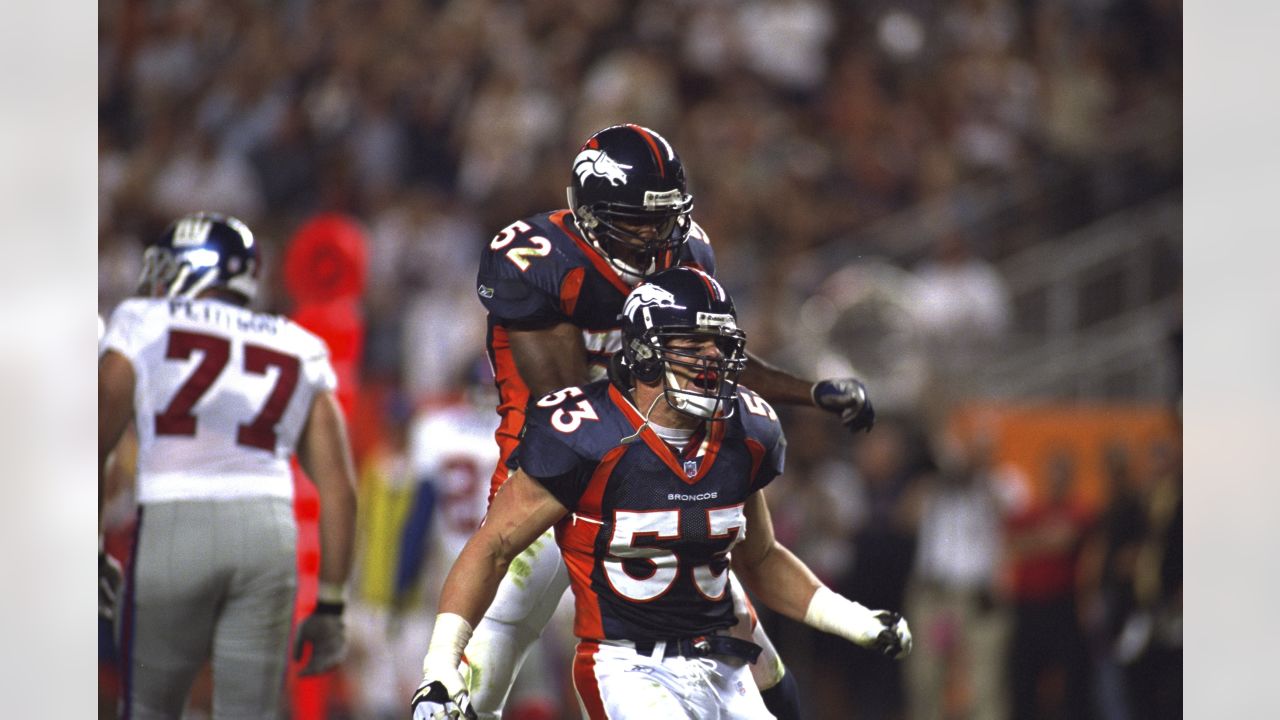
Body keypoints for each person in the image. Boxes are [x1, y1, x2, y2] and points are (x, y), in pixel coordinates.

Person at [460, 123, 877, 720]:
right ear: (589, 211)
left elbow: (710, 357)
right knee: (489, 661)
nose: (653, 236)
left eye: (663, 219)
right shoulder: (537, 262)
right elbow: (573, 414)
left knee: (754, 659)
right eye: (635, 220)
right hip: (558, 480)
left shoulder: (686, 252)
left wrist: (807, 392)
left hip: (652, 472)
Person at [411, 267, 911, 720]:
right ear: (647, 352)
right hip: (629, 669)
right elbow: (493, 545)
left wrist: (856, 620)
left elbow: (760, 558)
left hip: (721, 662)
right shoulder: (587, 433)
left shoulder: (747, 430)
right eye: (695, 345)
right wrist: (440, 664)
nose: (714, 359)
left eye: (721, 344)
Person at [98, 212, 358, 718]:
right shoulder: (298, 343)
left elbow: (91, 440)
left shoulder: (144, 320)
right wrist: (330, 604)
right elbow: (340, 490)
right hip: (267, 530)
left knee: (150, 708)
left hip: (176, 522)